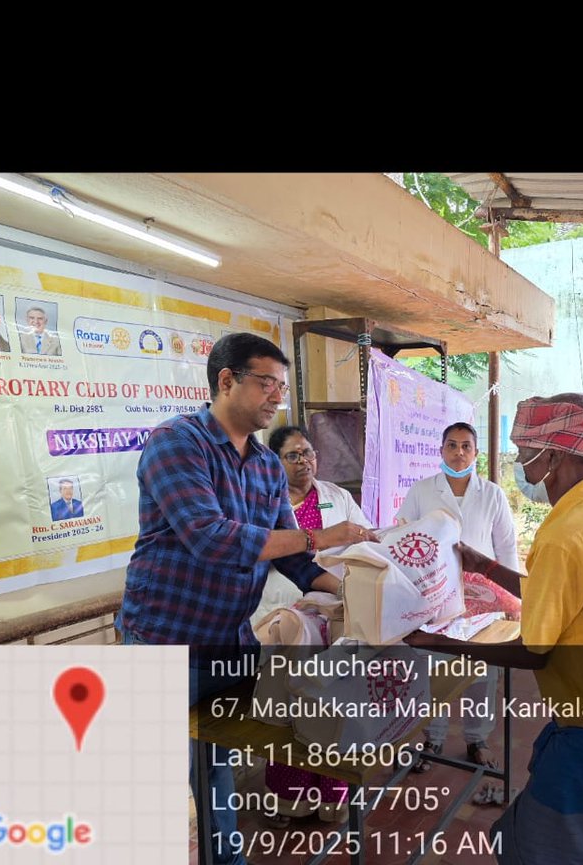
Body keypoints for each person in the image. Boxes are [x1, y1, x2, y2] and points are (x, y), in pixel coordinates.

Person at [115, 333, 378, 865]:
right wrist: (322, 536)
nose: (276, 397)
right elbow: (211, 537)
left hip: (228, 640)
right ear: (226, 380)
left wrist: (365, 593)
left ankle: (225, 858)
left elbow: (294, 561)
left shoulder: (262, 465)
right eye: (266, 383)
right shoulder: (177, 443)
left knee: (214, 763)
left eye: (282, 386)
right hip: (164, 641)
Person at [407, 392, 583, 865]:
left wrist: (439, 640)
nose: (518, 465)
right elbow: (559, 590)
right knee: (518, 837)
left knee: (551, 853)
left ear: (551, 456)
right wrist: (486, 566)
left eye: (522, 453)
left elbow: (534, 651)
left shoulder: (566, 532)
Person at [252, 425, 374, 826]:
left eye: (309, 453)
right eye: (293, 456)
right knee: (289, 707)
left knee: (333, 704)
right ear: (274, 461)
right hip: (286, 617)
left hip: (337, 615)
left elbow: (367, 541)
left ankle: (333, 795)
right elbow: (261, 554)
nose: (305, 462)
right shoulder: (264, 503)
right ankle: (289, 797)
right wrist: (323, 539)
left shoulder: (338, 497)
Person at [396, 421, 518, 785]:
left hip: (484, 598)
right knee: (432, 667)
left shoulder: (492, 494)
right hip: (435, 595)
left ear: (476, 453)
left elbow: (507, 548)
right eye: (452, 445)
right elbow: (405, 536)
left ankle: (476, 739)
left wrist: (511, 599)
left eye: (466, 446)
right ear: (441, 451)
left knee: (482, 670)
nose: (459, 452)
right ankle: (431, 738)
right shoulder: (421, 492)